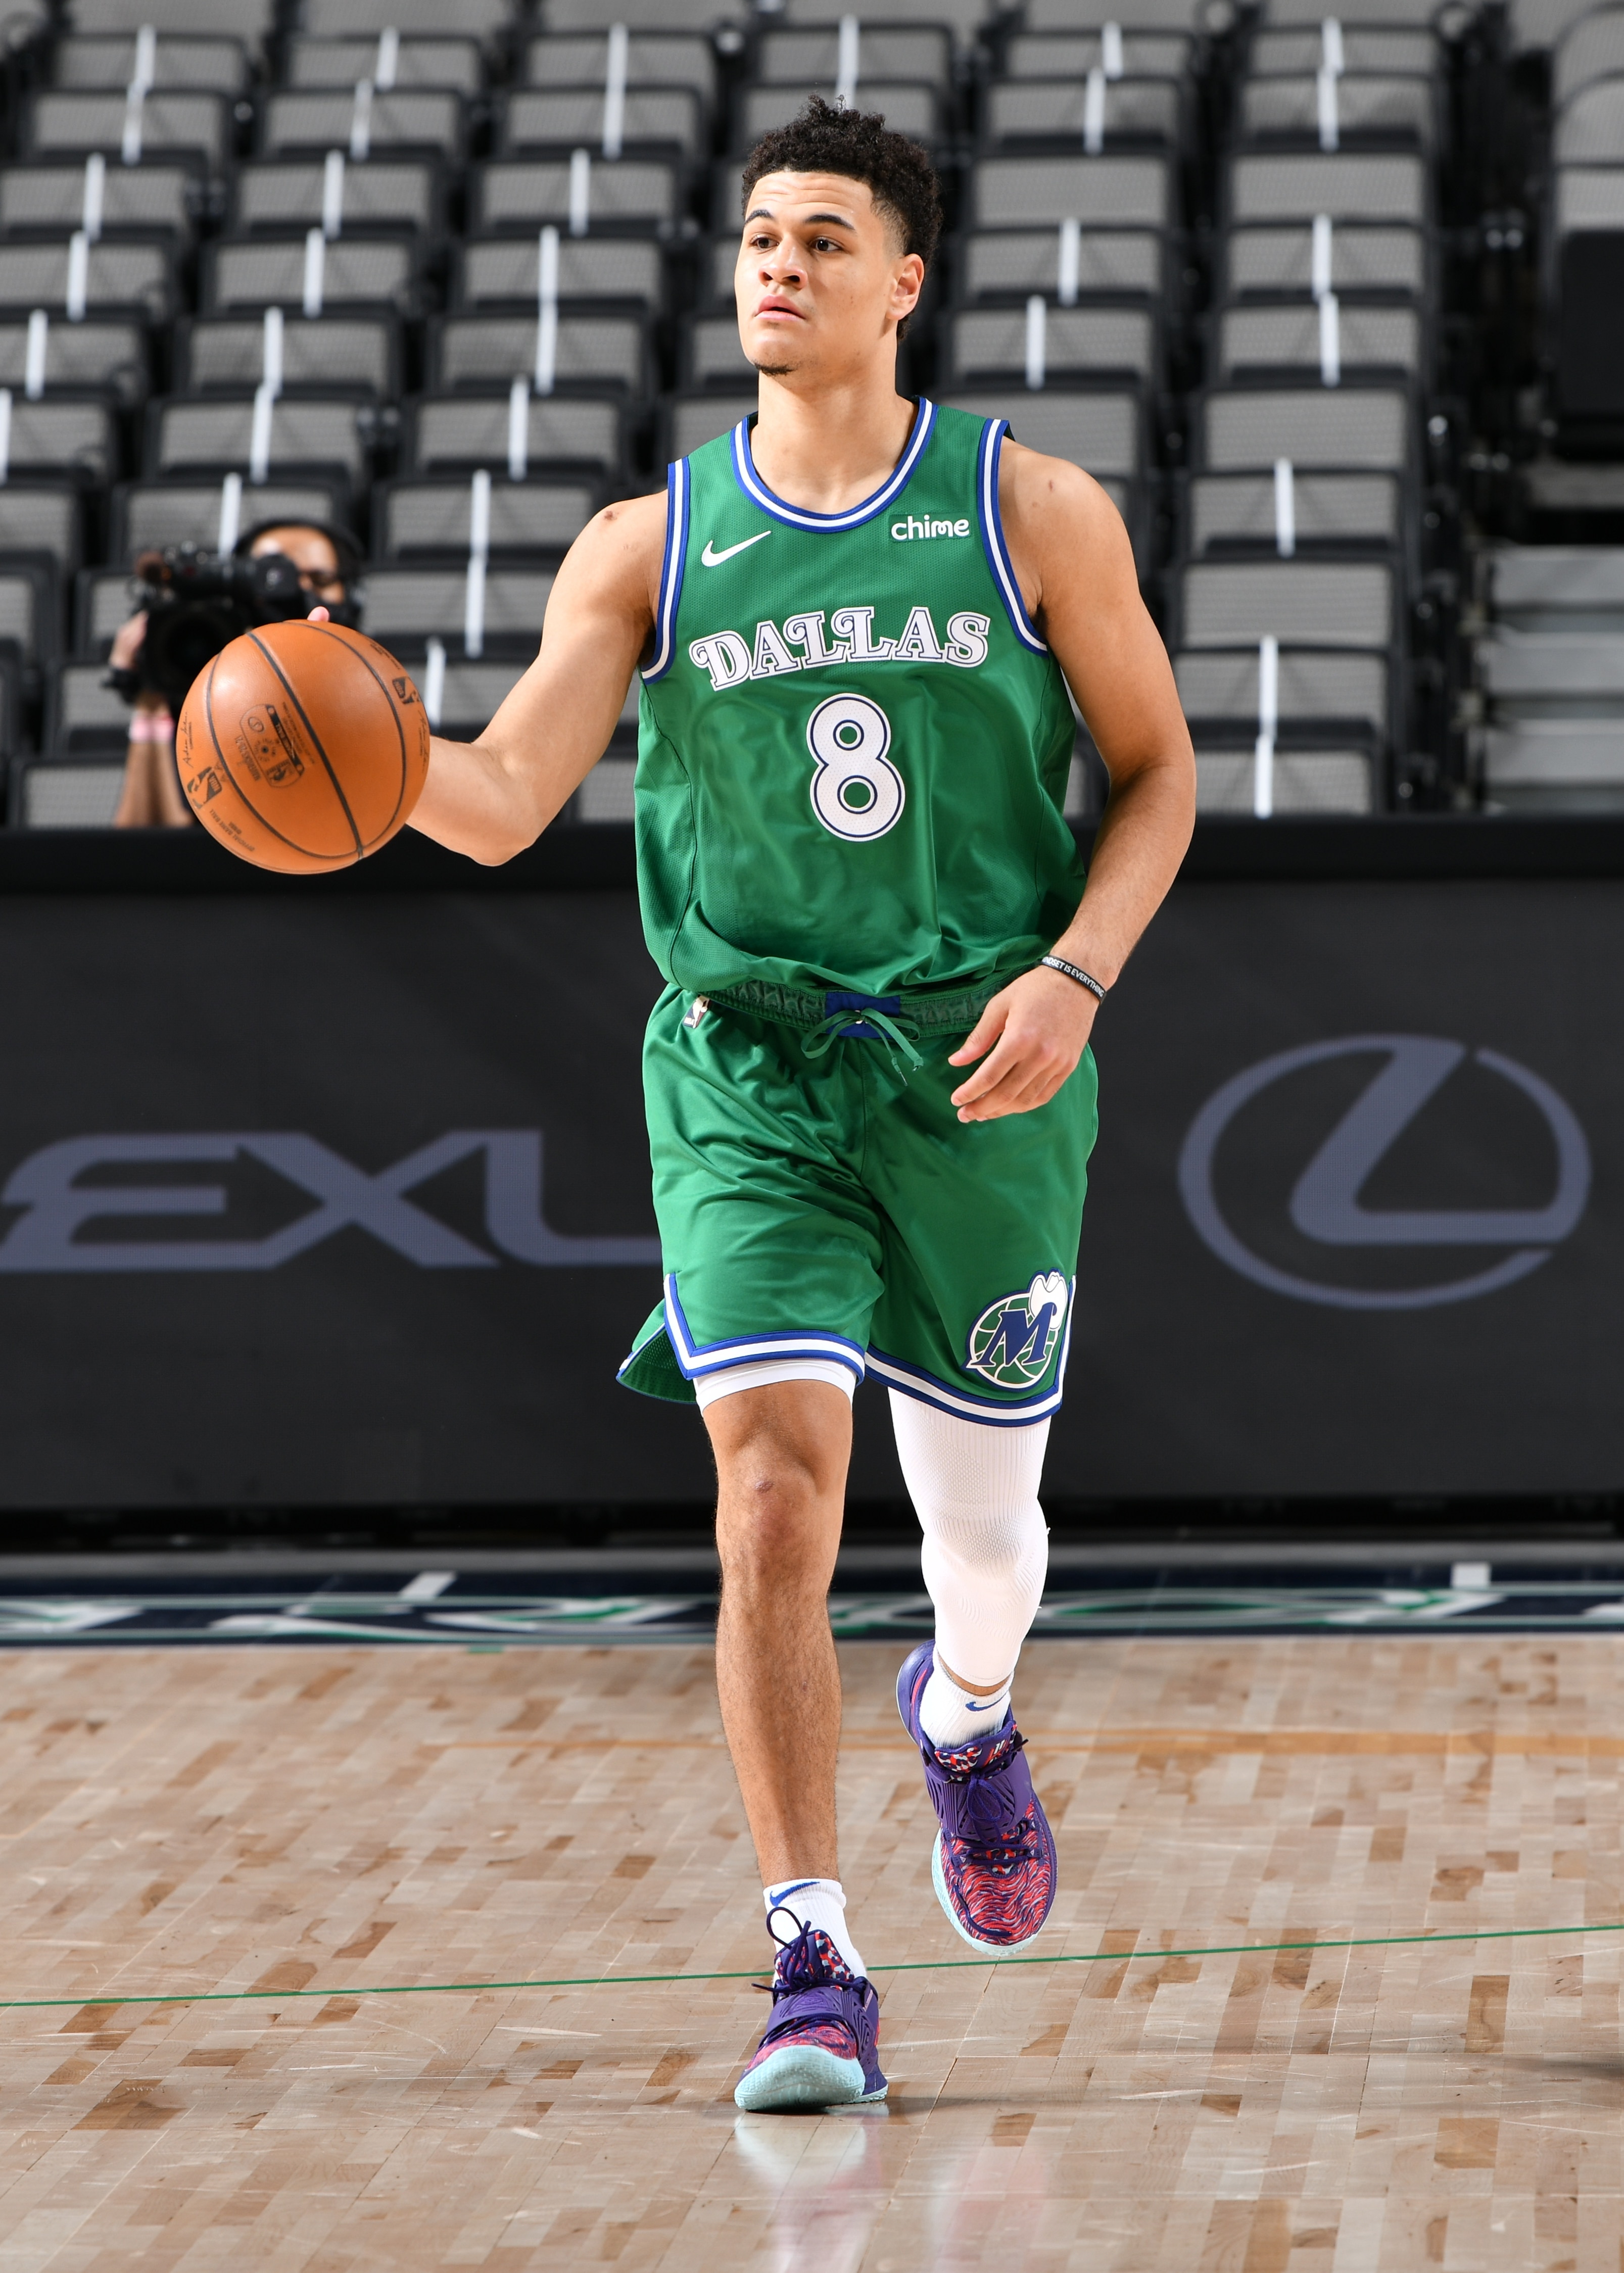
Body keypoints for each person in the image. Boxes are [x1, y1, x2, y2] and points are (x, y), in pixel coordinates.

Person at [364, 99, 1196, 2111]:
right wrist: (344, 741)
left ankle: (967, 1709)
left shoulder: (1028, 509)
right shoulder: (649, 542)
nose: (776, 263)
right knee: (766, 1490)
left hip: (975, 1062)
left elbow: (1155, 774)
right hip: (742, 1065)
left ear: (903, 283)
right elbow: (486, 800)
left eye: (822, 237)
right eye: (756, 233)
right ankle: (810, 1955)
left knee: (982, 1539)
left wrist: (1073, 978)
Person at [108, 520, 354, 828]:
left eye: (318, 579)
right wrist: (150, 702)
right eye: (271, 578)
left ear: (352, 595)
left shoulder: (373, 696)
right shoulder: (197, 699)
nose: (295, 594)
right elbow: (139, 852)